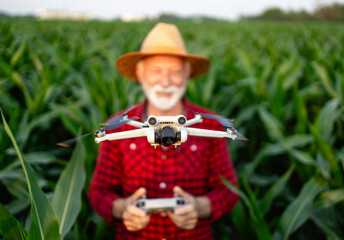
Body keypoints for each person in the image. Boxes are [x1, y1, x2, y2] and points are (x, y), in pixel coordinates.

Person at [88, 22, 239, 240]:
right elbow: (98, 192)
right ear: (140, 73)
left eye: (175, 72)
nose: (166, 82)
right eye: (156, 71)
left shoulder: (210, 125)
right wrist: (122, 209)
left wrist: (198, 207)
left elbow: (228, 191)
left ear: (187, 73)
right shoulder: (118, 127)